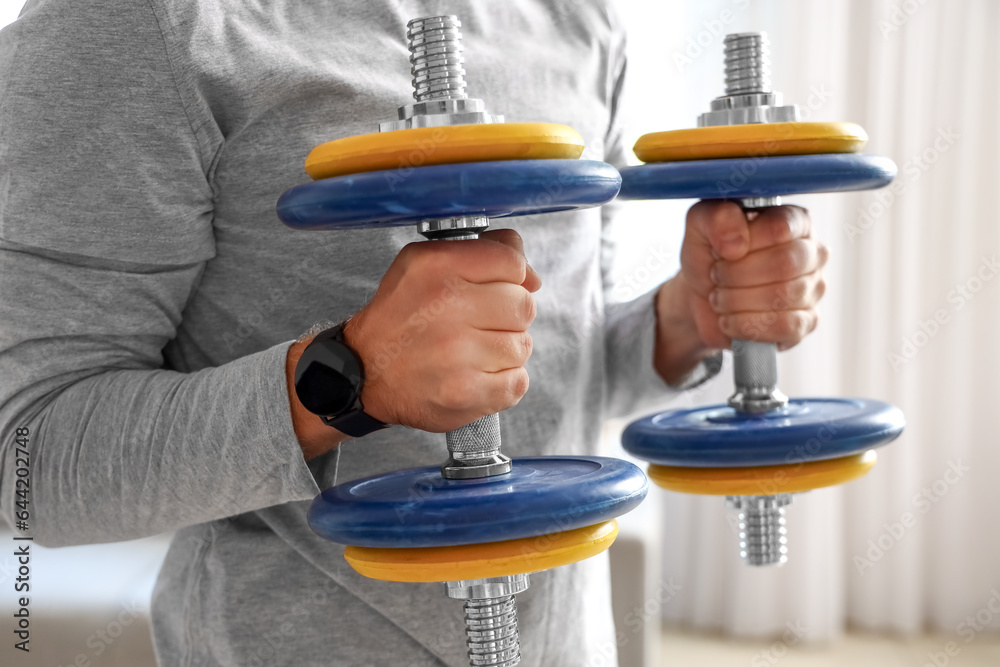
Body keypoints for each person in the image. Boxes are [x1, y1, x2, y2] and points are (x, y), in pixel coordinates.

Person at [0, 0, 826, 665]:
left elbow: (555, 362)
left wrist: (685, 319)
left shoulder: (580, 20)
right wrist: (349, 376)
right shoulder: (125, 25)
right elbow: (24, 459)